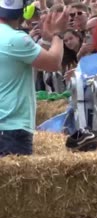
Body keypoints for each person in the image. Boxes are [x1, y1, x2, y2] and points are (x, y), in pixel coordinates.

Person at [0, 0, 67, 156]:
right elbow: (53, 63)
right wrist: (58, 34)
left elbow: (27, 60)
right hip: (11, 128)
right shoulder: (15, 38)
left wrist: (44, 40)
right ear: (21, 14)